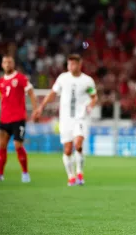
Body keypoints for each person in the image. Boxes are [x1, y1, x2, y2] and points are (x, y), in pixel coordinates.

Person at [34, 54, 98, 186]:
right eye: (69, 64)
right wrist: (41, 107)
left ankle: (80, 173)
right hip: (65, 119)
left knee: (78, 144)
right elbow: (52, 93)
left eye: (73, 64)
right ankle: (71, 176)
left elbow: (94, 96)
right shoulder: (63, 78)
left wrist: (91, 105)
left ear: (80, 65)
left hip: (80, 117)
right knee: (68, 149)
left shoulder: (87, 81)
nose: (70, 66)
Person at [0, 55, 38, 182]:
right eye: (5, 62)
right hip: (4, 119)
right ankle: (0, 174)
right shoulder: (0, 82)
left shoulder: (20, 78)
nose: (7, 64)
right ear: (2, 64)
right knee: (1, 146)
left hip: (18, 119)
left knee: (18, 145)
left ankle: (25, 173)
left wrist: (36, 109)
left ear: (13, 64)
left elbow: (31, 93)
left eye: (9, 62)